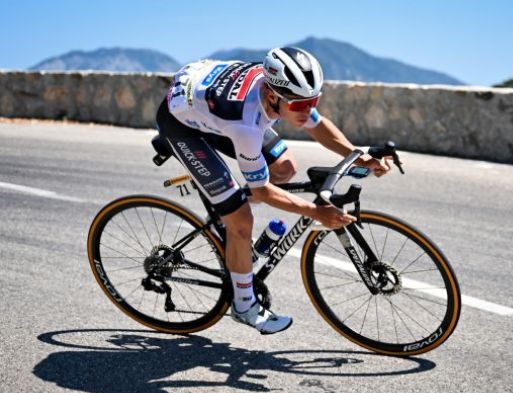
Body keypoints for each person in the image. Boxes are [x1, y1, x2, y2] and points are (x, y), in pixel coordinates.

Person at [155, 46, 390, 335]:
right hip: (182, 125)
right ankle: (243, 305)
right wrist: (315, 211)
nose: (307, 111)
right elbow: (264, 191)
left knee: (285, 167)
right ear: (271, 96)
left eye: (313, 101)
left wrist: (361, 156)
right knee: (241, 220)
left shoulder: (286, 94)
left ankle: (229, 217)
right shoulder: (246, 125)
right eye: (299, 106)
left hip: (210, 101)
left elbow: (318, 128)